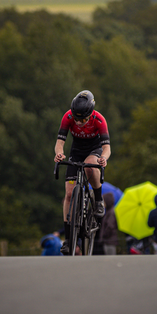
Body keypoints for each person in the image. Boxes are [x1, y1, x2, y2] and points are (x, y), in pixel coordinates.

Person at [54, 90, 111, 255]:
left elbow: (107, 147)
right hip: (76, 151)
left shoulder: (99, 120)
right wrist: (59, 153)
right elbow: (60, 142)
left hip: (95, 150)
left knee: (90, 165)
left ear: (91, 113)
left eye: (83, 119)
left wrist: (104, 158)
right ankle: (69, 239)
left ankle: (98, 199)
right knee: (69, 194)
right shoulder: (68, 117)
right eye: (77, 118)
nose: (79, 122)